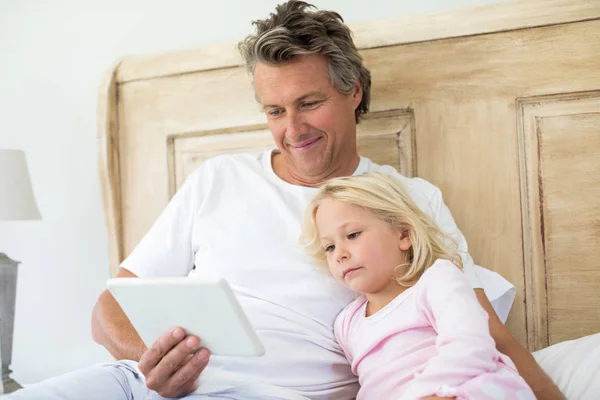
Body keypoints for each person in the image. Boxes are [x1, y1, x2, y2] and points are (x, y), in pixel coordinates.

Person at [6, 1, 563, 399]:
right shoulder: (217, 179)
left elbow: (480, 325)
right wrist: (148, 365)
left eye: (309, 103)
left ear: (354, 91)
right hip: (141, 385)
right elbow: (109, 309)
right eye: (275, 111)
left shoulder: (407, 200)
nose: (292, 128)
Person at [300, 171, 537, 400]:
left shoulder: (437, 281)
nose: (339, 254)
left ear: (404, 234)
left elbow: (472, 344)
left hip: (462, 388)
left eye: (352, 235)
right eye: (329, 247)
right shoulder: (347, 324)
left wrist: (427, 395)